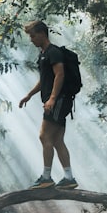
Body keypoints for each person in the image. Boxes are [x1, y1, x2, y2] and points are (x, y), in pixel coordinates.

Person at [18, 20, 78, 190]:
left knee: (44, 136)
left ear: (42, 34)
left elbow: (60, 75)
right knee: (57, 140)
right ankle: (69, 178)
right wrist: (29, 95)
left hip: (59, 100)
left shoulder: (54, 52)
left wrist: (52, 99)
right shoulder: (44, 54)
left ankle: (46, 178)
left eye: (33, 35)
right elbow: (44, 79)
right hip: (59, 101)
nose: (31, 39)